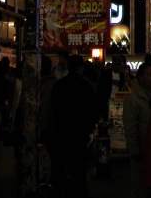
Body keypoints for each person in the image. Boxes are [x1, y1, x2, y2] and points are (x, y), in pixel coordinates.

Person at [49, 55, 99, 198]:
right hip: (80, 134)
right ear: (81, 68)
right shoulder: (86, 86)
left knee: (62, 168)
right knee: (79, 171)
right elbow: (92, 112)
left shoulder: (59, 85)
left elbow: (53, 110)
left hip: (62, 133)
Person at [124, 63, 151, 198]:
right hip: (141, 150)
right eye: (150, 75)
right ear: (141, 77)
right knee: (140, 186)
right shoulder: (133, 99)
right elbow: (130, 127)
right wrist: (134, 150)